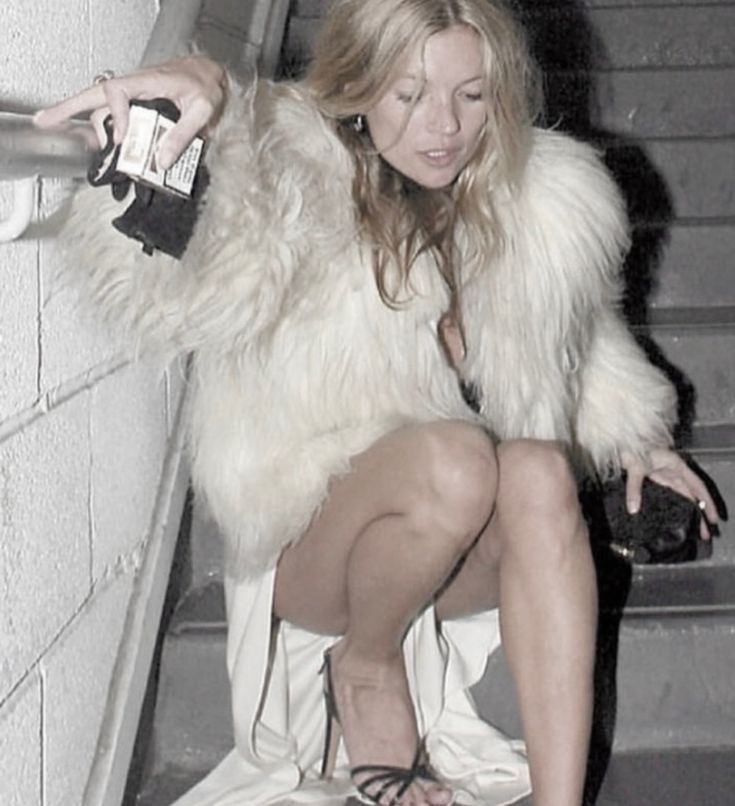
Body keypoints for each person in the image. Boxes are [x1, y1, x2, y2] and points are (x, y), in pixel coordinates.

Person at [36, 1, 718, 804]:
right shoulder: (297, 170)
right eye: (408, 93)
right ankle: (364, 667)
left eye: (470, 95)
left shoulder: (546, 204)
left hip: (450, 546)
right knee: (457, 458)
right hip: (311, 540)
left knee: (535, 469)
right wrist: (207, 95)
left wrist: (640, 439)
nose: (443, 126)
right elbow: (208, 249)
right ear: (359, 87)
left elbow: (588, 346)